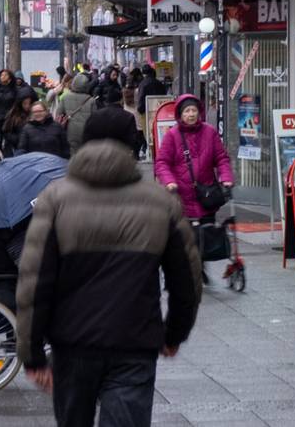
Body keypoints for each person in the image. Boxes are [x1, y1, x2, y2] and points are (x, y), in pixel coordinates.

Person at [16, 103, 202, 427]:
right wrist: (174, 334)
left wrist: (32, 354)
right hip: (134, 342)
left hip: (72, 344)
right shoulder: (161, 203)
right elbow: (186, 279)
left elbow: (34, 282)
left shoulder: (55, 199)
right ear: (132, 145)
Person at [154, 95, 234, 224]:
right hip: (181, 199)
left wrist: (226, 177)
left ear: (199, 112)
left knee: (208, 237)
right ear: (180, 114)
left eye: (194, 110)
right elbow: (162, 162)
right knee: (186, 240)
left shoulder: (210, 132)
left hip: (206, 197)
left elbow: (221, 158)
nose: (191, 114)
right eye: (187, 111)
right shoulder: (172, 135)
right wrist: (169, 181)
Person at [54, 72, 96, 156]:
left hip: (70, 131)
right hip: (86, 131)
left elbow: (58, 115)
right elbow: (94, 119)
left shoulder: (66, 97)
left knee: (72, 152)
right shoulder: (91, 100)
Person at [122, 86, 147, 158]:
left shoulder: (125, 97)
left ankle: (135, 154)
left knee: (133, 143)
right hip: (138, 123)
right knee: (141, 140)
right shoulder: (137, 93)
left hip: (130, 122)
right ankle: (139, 153)